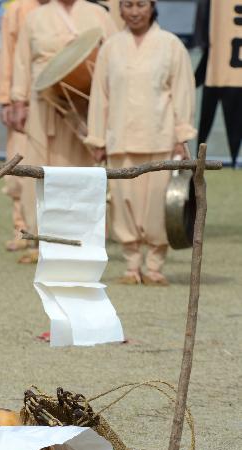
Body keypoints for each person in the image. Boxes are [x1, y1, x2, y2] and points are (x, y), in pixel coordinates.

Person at [85, 0, 196, 286]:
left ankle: (155, 265)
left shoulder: (171, 45)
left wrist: (181, 137)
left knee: (160, 207)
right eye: (128, 5)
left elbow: (182, 92)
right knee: (123, 204)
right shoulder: (110, 47)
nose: (135, 12)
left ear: (152, 7)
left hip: (160, 137)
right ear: (120, 9)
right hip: (119, 138)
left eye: (141, 5)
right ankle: (132, 264)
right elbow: (101, 96)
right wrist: (97, 137)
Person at [10, 0, 117, 263]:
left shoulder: (99, 14)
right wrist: (18, 100)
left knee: (82, 167)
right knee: (37, 167)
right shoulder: (35, 17)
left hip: (84, 103)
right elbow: (22, 61)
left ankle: (82, 237)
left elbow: (115, 54)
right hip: (43, 99)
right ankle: (38, 240)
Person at [0, 0, 47, 252]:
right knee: (19, 167)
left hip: (61, 104)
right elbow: (8, 55)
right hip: (22, 101)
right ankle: (22, 229)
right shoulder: (17, 9)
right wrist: (7, 100)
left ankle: (56, 234)